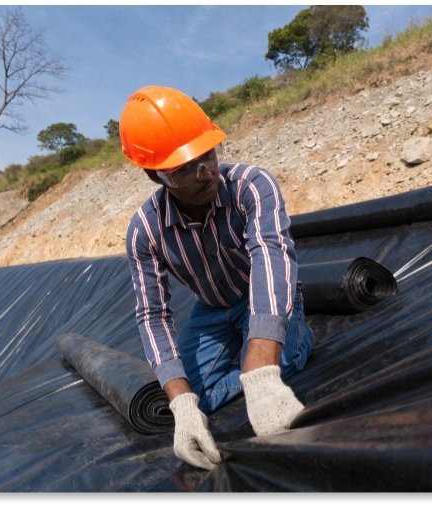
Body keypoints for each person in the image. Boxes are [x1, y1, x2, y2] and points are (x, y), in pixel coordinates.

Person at [120, 85, 315, 471]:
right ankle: (240, 365)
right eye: (183, 168)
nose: (205, 172)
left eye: (206, 154)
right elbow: (152, 315)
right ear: (155, 175)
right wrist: (182, 405)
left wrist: (260, 372)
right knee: (192, 396)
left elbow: (272, 256)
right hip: (211, 311)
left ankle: (288, 340)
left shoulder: (251, 186)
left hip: (260, 297)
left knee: (283, 362)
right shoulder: (145, 231)